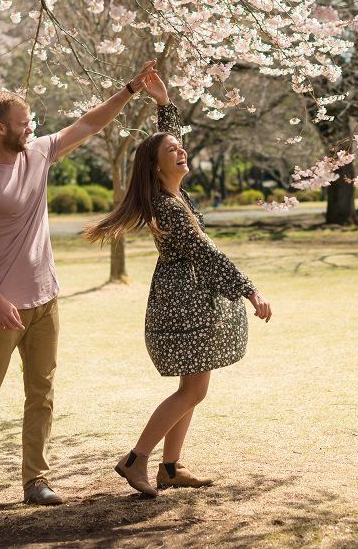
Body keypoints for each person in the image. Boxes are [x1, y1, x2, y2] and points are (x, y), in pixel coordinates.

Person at [0, 61, 162, 508]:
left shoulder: (38, 153)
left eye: (30, 121)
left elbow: (90, 122)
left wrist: (131, 89)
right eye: (22, 123)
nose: (30, 127)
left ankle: (36, 480)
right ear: (0, 129)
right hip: (3, 307)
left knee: (42, 393)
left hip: (46, 298)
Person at [83, 70, 272, 497]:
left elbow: (165, 145)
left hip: (184, 301)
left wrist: (164, 104)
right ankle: (137, 460)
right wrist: (250, 289)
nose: (181, 150)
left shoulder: (170, 193)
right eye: (174, 150)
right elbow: (206, 253)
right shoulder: (168, 208)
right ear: (158, 165)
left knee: (190, 389)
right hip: (182, 306)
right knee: (193, 390)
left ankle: (170, 468)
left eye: (179, 146)